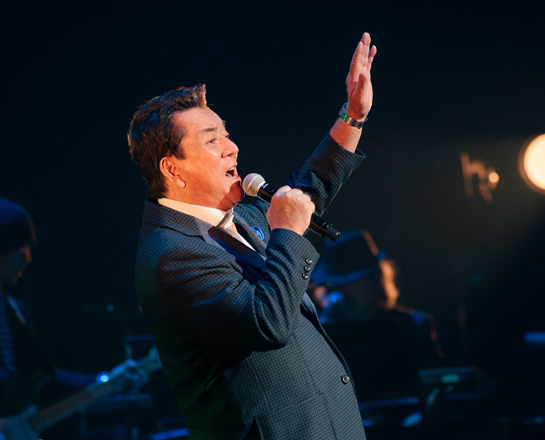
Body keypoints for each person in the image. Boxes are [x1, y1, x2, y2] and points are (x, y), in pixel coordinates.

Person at [128, 33, 376, 439]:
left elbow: (306, 192)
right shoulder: (171, 255)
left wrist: (352, 116)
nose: (233, 147)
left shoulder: (238, 216)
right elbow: (266, 322)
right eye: (213, 140)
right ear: (173, 170)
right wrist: (288, 232)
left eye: (226, 134)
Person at [0, 198, 145, 439]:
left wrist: (106, 380)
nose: (27, 258)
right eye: (21, 249)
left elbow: (44, 376)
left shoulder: (16, 310)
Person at [312, 230, 444, 370]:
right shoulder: (319, 330)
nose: (341, 290)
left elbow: (433, 377)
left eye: (350, 282)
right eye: (334, 284)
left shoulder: (414, 325)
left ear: (376, 279)